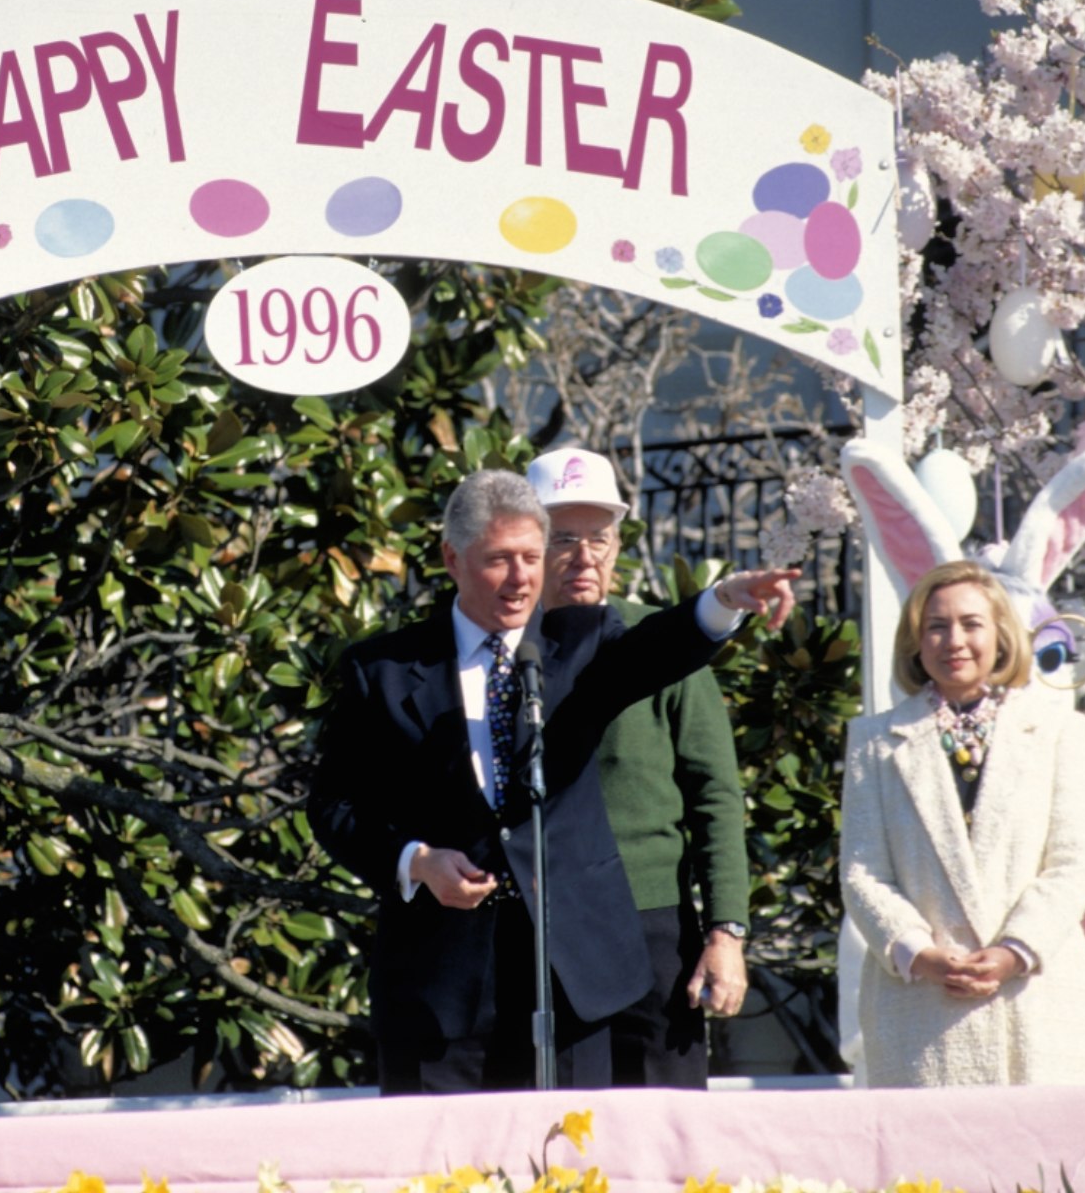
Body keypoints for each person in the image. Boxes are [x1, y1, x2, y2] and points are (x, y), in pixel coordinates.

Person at [310, 469, 795, 1093]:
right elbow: (335, 806)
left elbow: (653, 652)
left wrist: (723, 600)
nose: (519, 580)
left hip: (571, 974)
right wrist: (416, 860)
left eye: (532, 559)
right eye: (498, 561)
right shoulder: (381, 671)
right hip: (443, 979)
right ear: (452, 559)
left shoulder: (581, 644)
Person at [527, 448, 750, 1088]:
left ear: (619, 545)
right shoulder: (502, 648)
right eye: (561, 538)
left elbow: (715, 796)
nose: (584, 555)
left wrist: (725, 932)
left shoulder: (663, 640)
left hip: (653, 926)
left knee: (667, 1130)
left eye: (599, 538)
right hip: (543, 927)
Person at [839, 559, 1085, 1087]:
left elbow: (1075, 862)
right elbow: (863, 872)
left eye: (970, 624)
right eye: (936, 626)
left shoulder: (1059, 731)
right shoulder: (873, 740)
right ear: (915, 641)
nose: (953, 640)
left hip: (1034, 1002)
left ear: (1002, 634)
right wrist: (921, 954)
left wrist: (1014, 950)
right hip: (921, 1011)